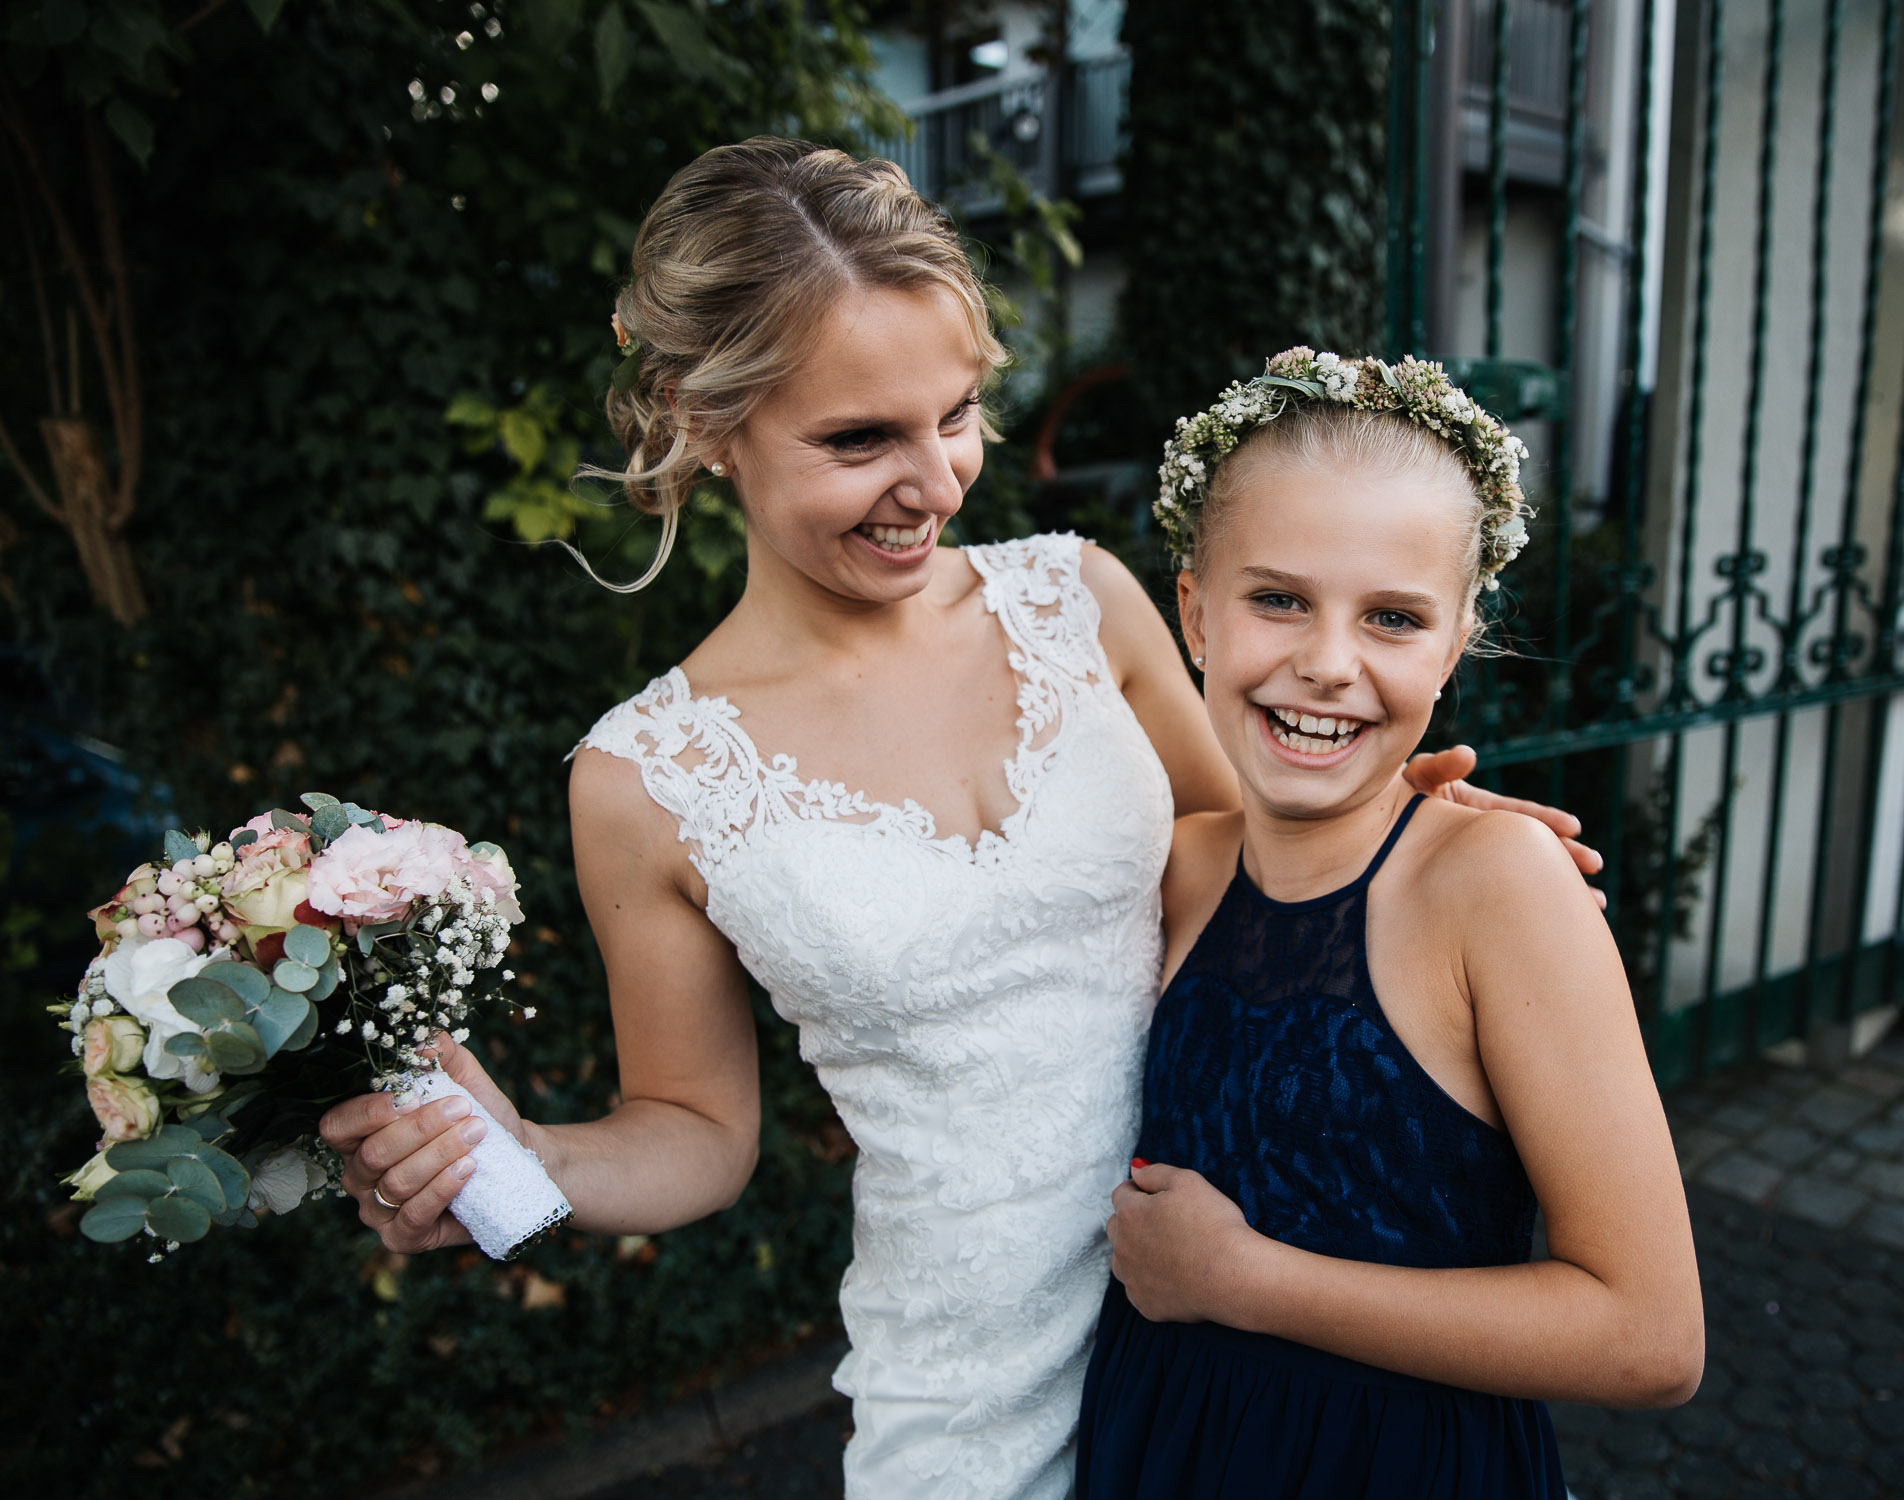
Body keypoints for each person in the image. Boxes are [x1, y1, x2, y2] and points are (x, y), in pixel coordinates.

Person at [314, 140, 1600, 1499]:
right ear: (703, 418)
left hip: (1233, 1310)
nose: (934, 481)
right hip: (975, 1380)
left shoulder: (1079, 602)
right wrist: (526, 1154)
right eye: (859, 439)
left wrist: (1431, 843)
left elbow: (1263, 868)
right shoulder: (643, 779)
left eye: (956, 414)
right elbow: (694, 1127)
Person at [1077, 352, 1702, 1499]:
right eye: (1278, 599)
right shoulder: (1171, 867)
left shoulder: (1499, 885)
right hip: (1161, 1443)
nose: (1327, 664)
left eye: (1394, 618)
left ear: (1457, 640)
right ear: (1193, 611)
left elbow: (1651, 1337)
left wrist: (1247, 1280)